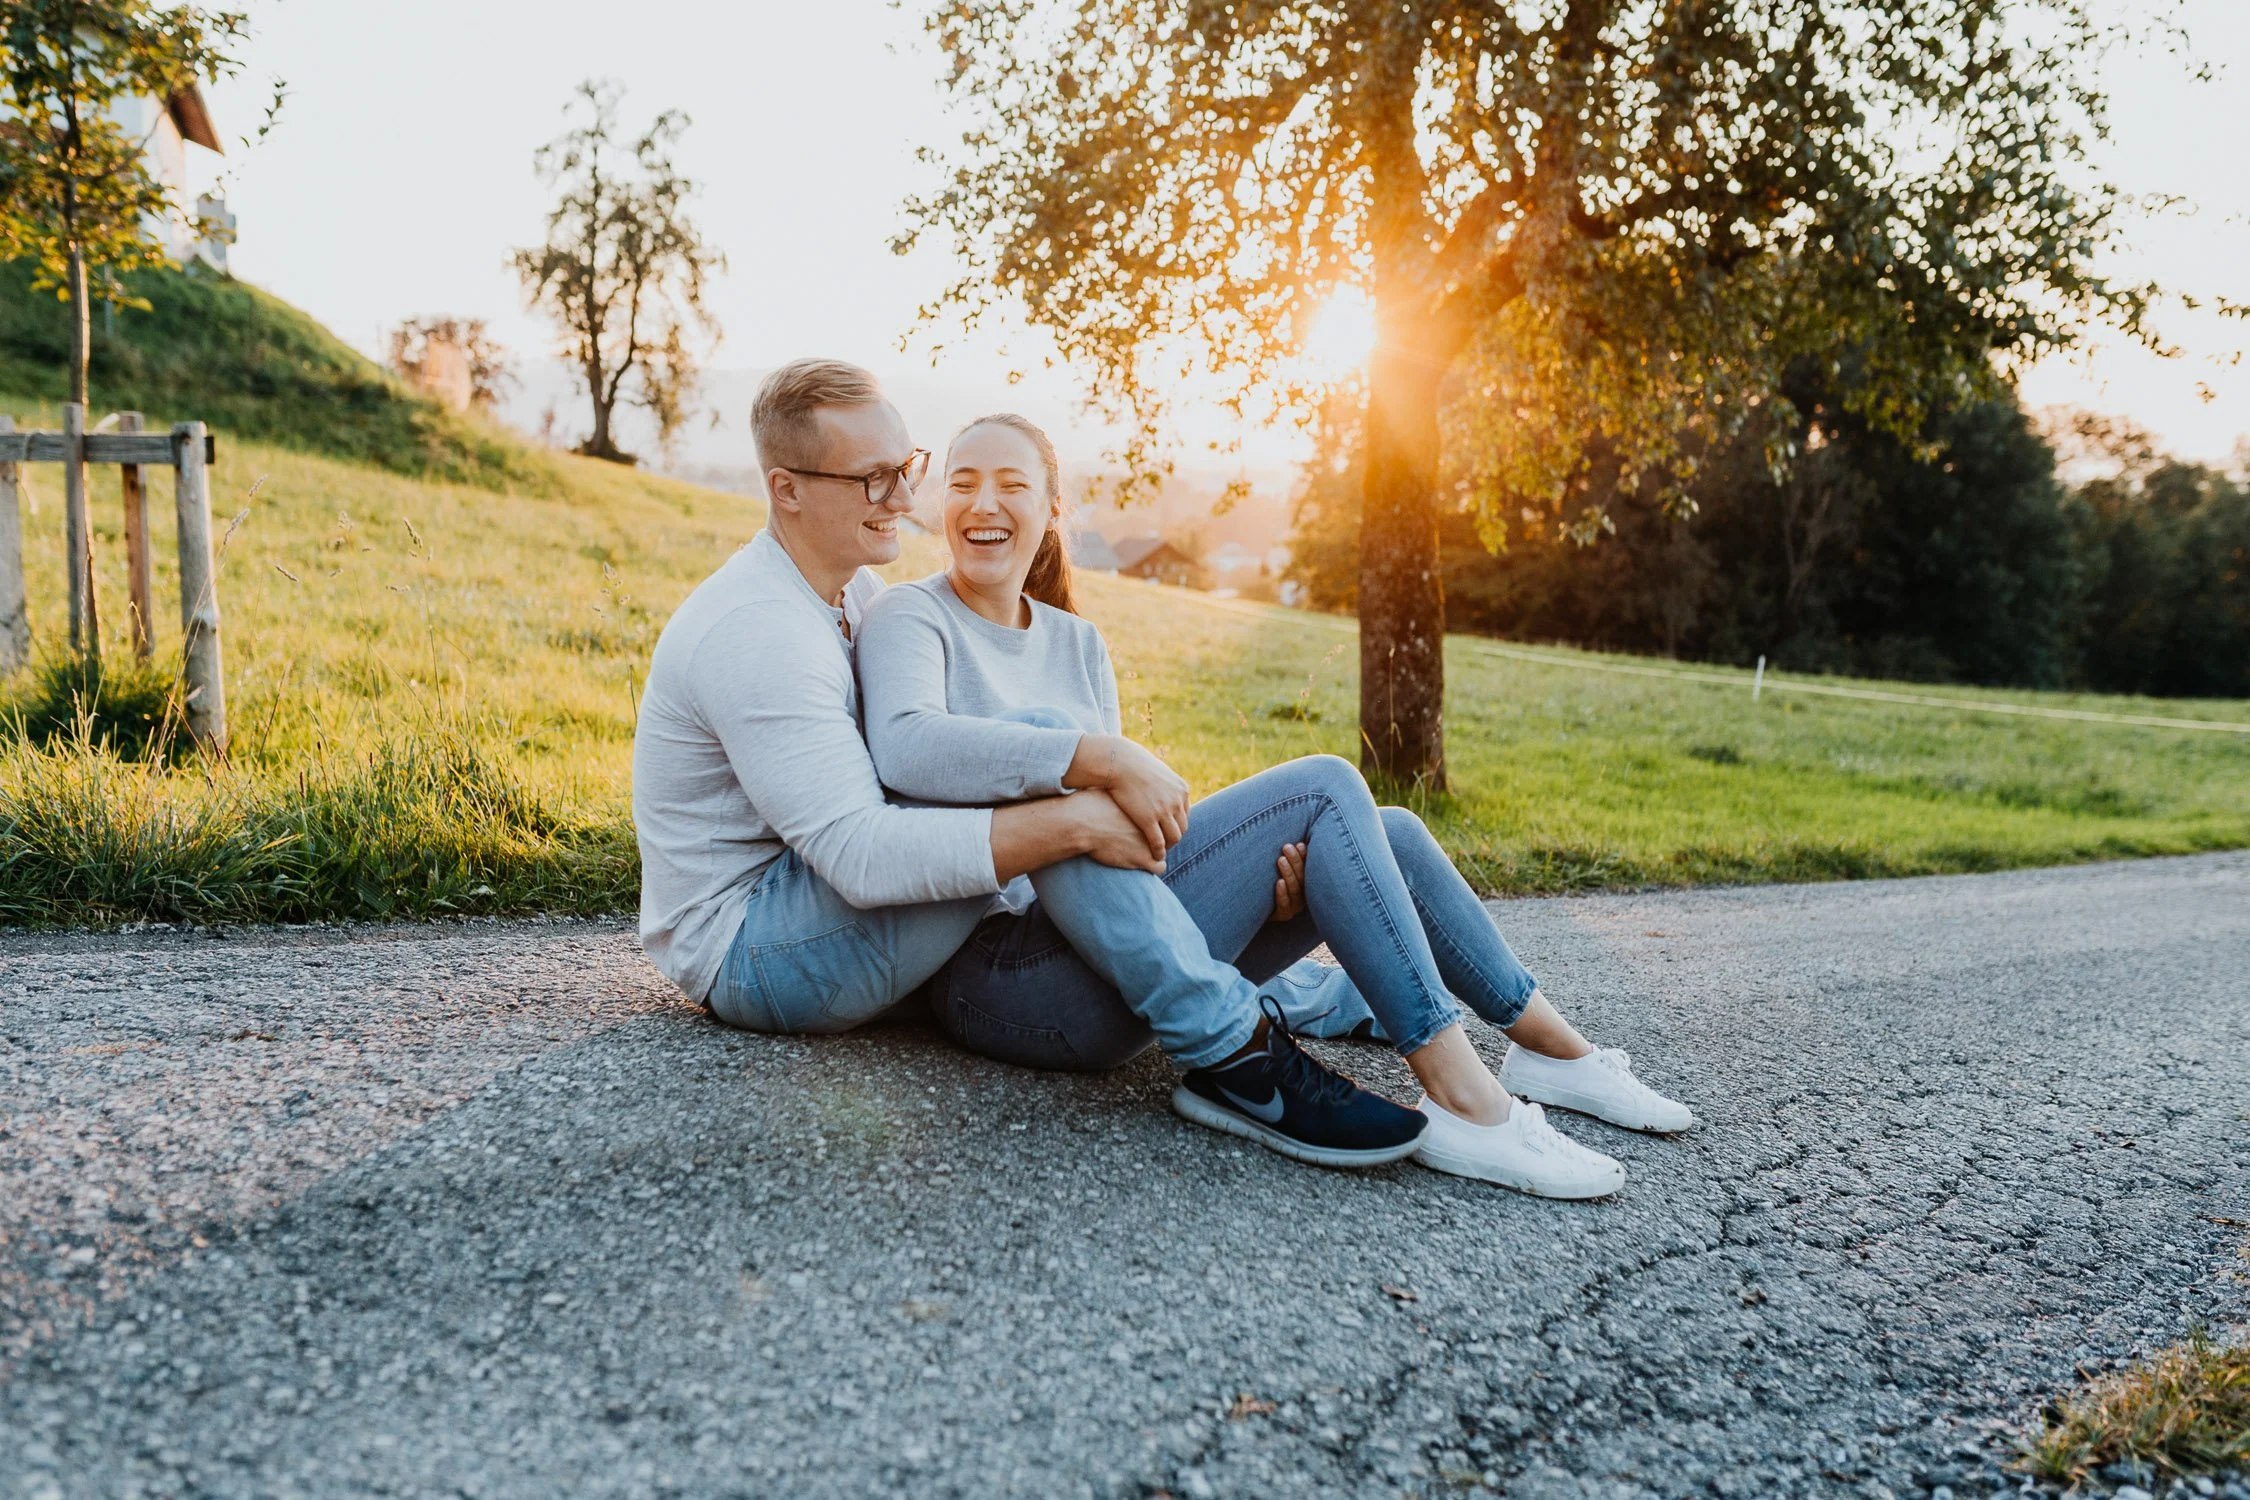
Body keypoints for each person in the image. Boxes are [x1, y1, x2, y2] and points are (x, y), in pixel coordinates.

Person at [857, 412, 1698, 1200]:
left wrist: (1264, 894)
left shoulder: (1076, 641)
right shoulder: (912, 617)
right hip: (1002, 982)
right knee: (1326, 783)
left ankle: (1555, 1053)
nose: (983, 502)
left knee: (1389, 831)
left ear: (1049, 510)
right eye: (962, 482)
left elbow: (1119, 850)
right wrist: (1102, 755)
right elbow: (906, 744)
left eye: (1010, 483)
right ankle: (1465, 1100)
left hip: (1104, 950)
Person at [631, 359, 1427, 1172]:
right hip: (755, 947)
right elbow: (865, 858)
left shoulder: (856, 595)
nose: (905, 502)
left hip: (834, 905)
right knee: (1035, 764)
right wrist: (1072, 814)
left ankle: (1286, 1005)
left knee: (1024, 764)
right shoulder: (762, 629)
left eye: (904, 471)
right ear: (786, 490)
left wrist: (1222, 882)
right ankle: (1237, 1051)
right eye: (873, 481)